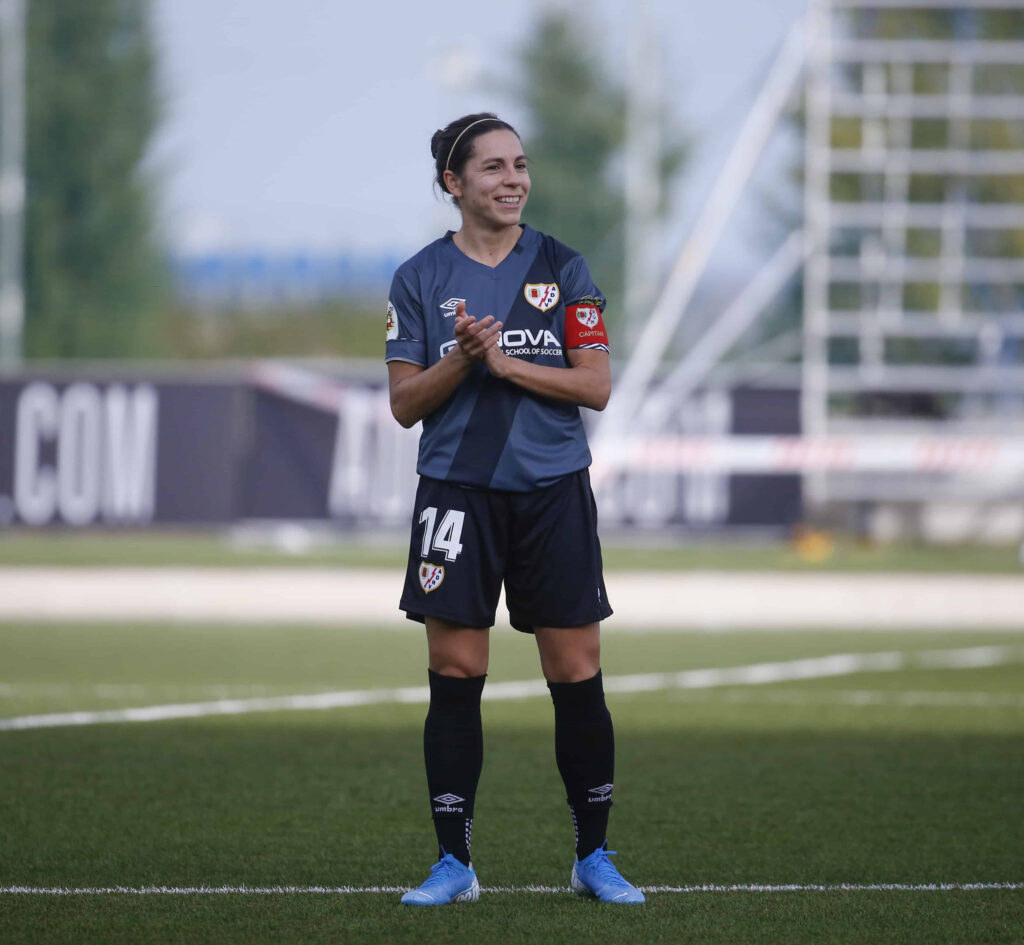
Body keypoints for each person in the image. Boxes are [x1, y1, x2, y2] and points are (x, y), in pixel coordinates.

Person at [385, 112, 644, 907]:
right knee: (456, 672)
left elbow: (595, 384)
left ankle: (592, 856)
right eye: (492, 167)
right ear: (453, 184)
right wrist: (460, 362)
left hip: (552, 489)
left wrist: (504, 362)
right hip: (457, 494)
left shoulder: (565, 267)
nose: (512, 179)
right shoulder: (419, 278)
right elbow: (403, 404)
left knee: (577, 671)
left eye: (520, 164)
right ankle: (453, 862)